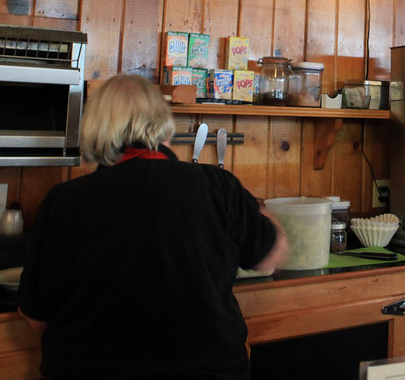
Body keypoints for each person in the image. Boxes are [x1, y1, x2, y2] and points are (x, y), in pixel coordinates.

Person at [18, 73, 288, 380]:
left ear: (95, 130)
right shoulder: (216, 185)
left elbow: (35, 317)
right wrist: (263, 214)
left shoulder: (61, 201)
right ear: (163, 124)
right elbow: (271, 253)